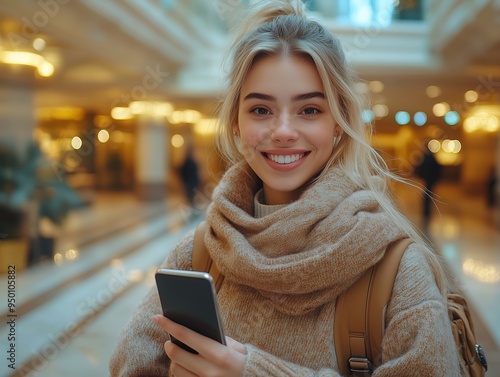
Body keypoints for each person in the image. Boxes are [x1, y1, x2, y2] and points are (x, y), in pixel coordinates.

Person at [109, 1, 461, 375]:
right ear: (236, 123)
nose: (283, 132)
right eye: (261, 110)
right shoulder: (201, 253)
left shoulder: (397, 271)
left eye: (309, 110)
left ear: (338, 122)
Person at [414, 143, 442, 223]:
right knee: (428, 196)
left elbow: (422, 168)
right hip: (431, 179)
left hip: (429, 179)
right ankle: (426, 212)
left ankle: (426, 212)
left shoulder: (427, 157)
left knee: (427, 196)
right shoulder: (432, 157)